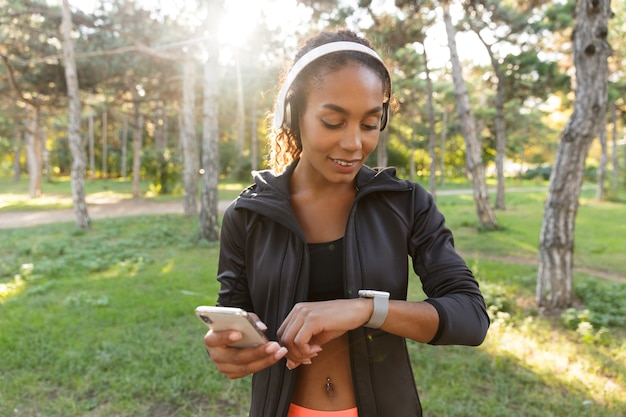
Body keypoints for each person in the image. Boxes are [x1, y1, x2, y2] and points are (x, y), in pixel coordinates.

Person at [203, 29, 490, 417]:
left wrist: (365, 309)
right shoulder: (248, 214)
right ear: (294, 113)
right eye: (333, 122)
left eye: (370, 124)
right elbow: (233, 319)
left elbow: (470, 317)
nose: (354, 143)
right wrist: (231, 347)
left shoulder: (406, 204)